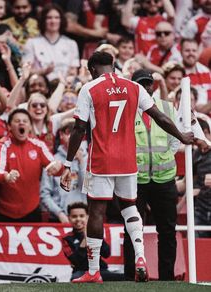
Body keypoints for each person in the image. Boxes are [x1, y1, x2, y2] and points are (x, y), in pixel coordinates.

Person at [60, 51, 194, 283]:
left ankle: (93, 271)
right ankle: (141, 257)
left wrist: (67, 163)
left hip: (101, 159)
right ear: (112, 66)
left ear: (92, 69)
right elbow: (160, 117)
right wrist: (182, 136)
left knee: (97, 210)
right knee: (129, 207)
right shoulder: (134, 87)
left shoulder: (89, 89)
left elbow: (79, 128)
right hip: (128, 160)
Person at [124, 69, 180, 281]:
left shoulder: (166, 107)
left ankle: (167, 278)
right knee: (132, 230)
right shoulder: (126, 110)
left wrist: (163, 158)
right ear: (133, 87)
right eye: (140, 84)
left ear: (153, 86)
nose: (145, 88)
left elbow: (175, 140)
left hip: (164, 178)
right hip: (135, 179)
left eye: (148, 84)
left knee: (167, 231)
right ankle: (130, 278)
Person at [0, 108, 63, 222]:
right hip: (4, 212)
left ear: (30, 127)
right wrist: (6, 176)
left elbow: (53, 164)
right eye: (17, 121)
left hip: (32, 210)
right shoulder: (1, 146)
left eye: (25, 121)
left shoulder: (38, 145)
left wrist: (58, 167)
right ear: (9, 127)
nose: (21, 123)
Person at [62, 202, 125, 281]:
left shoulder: (95, 233)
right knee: (75, 278)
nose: (78, 219)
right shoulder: (66, 238)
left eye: (82, 216)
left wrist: (95, 236)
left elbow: (106, 253)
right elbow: (76, 261)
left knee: (124, 277)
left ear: (87, 217)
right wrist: (85, 239)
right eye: (74, 216)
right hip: (81, 272)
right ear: (69, 218)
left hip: (101, 270)